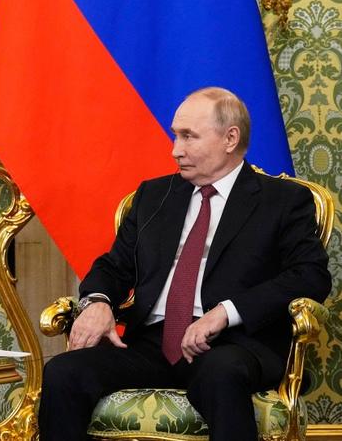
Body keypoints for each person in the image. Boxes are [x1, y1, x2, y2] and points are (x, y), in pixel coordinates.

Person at [38, 87, 331, 441]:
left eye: (188, 137)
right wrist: (97, 301)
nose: (175, 150)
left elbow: (310, 276)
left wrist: (226, 312)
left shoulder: (281, 201)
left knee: (220, 372)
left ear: (230, 138)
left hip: (233, 344)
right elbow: (113, 267)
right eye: (176, 135)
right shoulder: (154, 196)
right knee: (63, 372)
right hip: (152, 344)